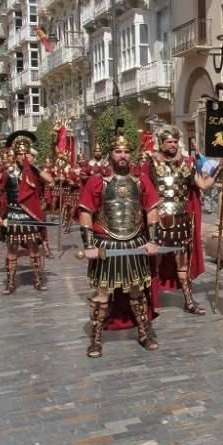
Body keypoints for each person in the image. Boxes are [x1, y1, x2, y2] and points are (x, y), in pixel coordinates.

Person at [77, 133, 161, 357]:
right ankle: (96, 340)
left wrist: (153, 240)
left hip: (134, 242)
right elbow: (85, 212)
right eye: (118, 151)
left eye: (126, 152)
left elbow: (152, 210)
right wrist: (89, 245)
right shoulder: (97, 181)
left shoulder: (141, 180)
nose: (123, 156)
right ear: (110, 154)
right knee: (101, 294)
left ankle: (143, 332)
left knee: (137, 292)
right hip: (105, 243)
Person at [140, 125, 218, 316]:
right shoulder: (151, 163)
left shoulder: (187, 163)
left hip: (181, 221)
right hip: (158, 221)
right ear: (162, 143)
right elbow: (141, 189)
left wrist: (218, 171)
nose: (173, 145)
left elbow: (202, 185)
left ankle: (189, 300)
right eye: (169, 142)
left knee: (182, 263)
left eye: (175, 141)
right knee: (155, 263)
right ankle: (152, 300)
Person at [0, 134, 55, 294]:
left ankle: (38, 279)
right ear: (14, 154)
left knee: (34, 248)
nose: (23, 156)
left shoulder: (32, 171)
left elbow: (50, 180)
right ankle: (10, 283)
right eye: (20, 153)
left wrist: (35, 167)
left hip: (29, 214)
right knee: (12, 250)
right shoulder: (7, 173)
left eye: (26, 153)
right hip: (13, 214)